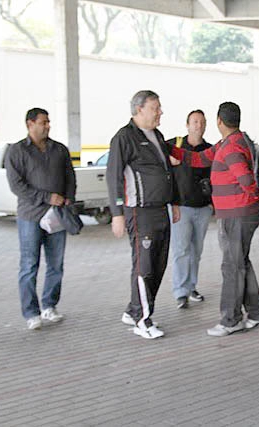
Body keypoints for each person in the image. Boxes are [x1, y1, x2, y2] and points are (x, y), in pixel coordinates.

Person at [170, 102, 259, 337]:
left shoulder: (231, 147)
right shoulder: (230, 142)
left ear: (218, 121)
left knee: (231, 267)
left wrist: (256, 197)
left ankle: (231, 320)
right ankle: (257, 312)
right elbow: (199, 159)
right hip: (237, 213)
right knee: (241, 262)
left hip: (237, 214)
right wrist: (170, 149)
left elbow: (246, 180)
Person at [106, 90, 180, 340]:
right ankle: (142, 319)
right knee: (144, 265)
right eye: (155, 107)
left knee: (158, 264)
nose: (160, 112)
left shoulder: (157, 135)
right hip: (139, 211)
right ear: (139, 109)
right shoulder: (124, 138)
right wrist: (116, 213)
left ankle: (133, 309)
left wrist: (175, 201)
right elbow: (113, 176)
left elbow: (168, 170)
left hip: (161, 209)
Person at [5, 107, 76, 330]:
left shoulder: (59, 150)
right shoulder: (17, 151)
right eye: (43, 122)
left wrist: (68, 199)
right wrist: (47, 197)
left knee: (56, 264)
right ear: (30, 124)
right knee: (29, 265)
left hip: (56, 216)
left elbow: (70, 178)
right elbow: (17, 186)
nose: (47, 126)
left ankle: (49, 305)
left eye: (48, 122)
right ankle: (31, 312)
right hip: (30, 216)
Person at [166, 110, 212, 309]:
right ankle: (180, 292)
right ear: (187, 125)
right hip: (180, 207)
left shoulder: (209, 149)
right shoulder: (174, 146)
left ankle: (191, 286)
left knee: (196, 250)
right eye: (194, 121)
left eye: (201, 122)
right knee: (181, 250)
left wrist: (212, 203)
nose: (198, 125)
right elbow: (160, 170)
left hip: (203, 208)